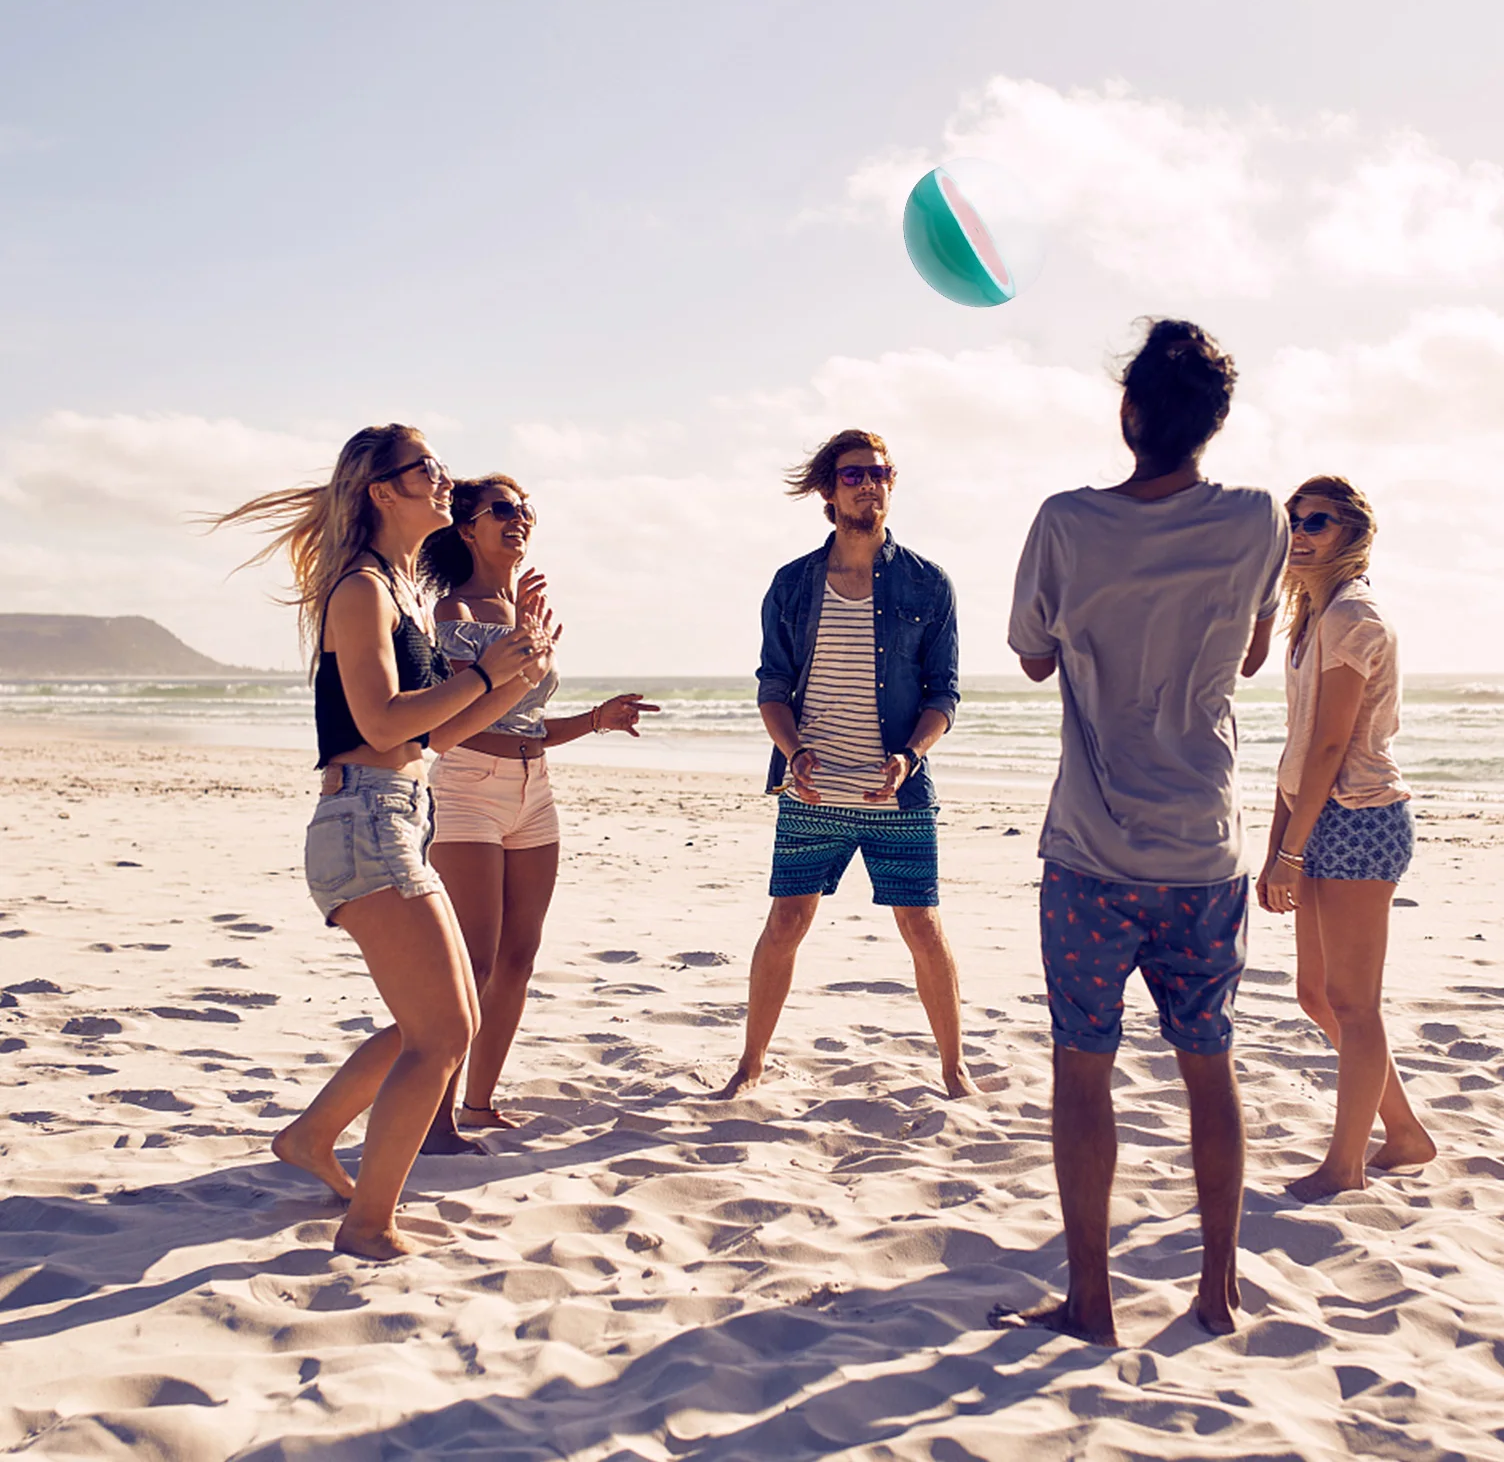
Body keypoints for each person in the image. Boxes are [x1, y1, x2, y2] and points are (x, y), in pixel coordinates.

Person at [1002, 320, 1289, 1344]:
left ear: (1128, 413)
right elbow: (1253, 655)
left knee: (1083, 1063)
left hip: (1090, 846)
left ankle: (1092, 1300)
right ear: (1212, 424)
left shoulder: (1066, 523)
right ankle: (1215, 1290)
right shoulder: (1260, 518)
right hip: (1205, 848)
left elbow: (1034, 656)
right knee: (1207, 1060)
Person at [215, 425, 555, 1259]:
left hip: (399, 809)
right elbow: (378, 723)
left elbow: (435, 738)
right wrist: (482, 674)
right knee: (444, 1034)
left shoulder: (397, 591)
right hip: (364, 820)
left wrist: (519, 671)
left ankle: (310, 1138)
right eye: (427, 471)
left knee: (439, 1021)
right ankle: (367, 1225)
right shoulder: (362, 590)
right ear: (382, 491)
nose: (444, 480)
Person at [721, 428, 975, 1100]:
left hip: (896, 793)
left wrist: (909, 758)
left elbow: (943, 693)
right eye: (856, 474)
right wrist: (793, 752)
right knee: (786, 922)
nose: (871, 484)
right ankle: (750, 1065)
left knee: (922, 924)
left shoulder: (927, 583)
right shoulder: (794, 584)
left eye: (882, 472)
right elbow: (773, 685)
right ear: (830, 491)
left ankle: (954, 1070)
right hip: (811, 791)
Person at [416, 473, 658, 1152]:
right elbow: (460, 720)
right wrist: (520, 647)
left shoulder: (523, 612)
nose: (518, 519)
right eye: (502, 510)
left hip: (535, 792)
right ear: (468, 528)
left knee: (521, 957)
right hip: (466, 787)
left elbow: (529, 725)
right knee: (477, 961)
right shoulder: (453, 616)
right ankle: (434, 1118)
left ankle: (480, 1100)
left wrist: (598, 720)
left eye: (525, 510)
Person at [1258, 476, 1435, 1200]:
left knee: (1355, 1003)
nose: (1299, 533)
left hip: (1359, 818)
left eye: (1317, 522)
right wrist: (1276, 844)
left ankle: (1347, 1164)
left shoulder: (1352, 616)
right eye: (1292, 520)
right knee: (1316, 995)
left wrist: (1291, 852)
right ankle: (1406, 1133)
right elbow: (1298, 746)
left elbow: (1331, 747)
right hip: (1317, 815)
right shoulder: (1313, 618)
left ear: (1353, 533)